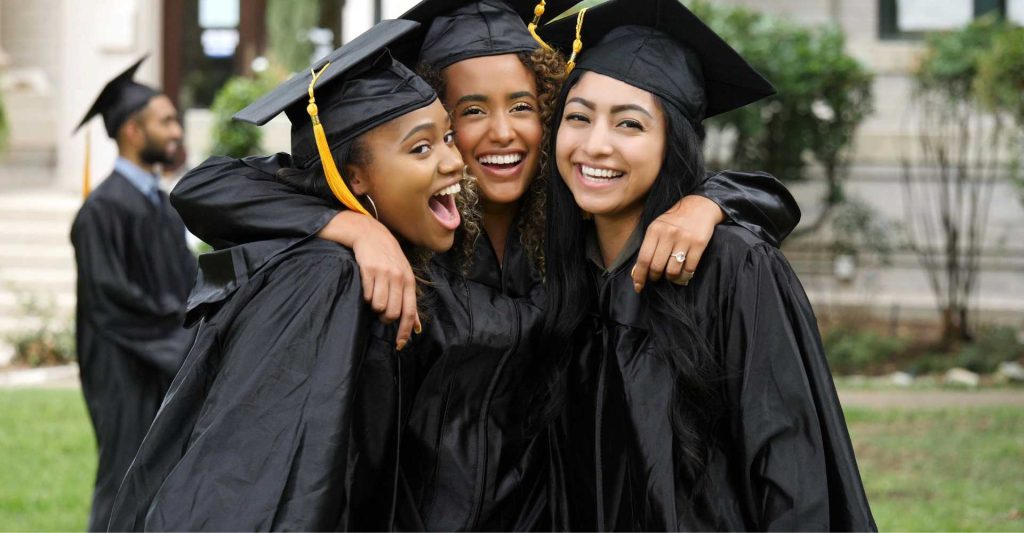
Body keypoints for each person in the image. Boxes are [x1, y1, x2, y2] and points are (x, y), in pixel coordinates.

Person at [164, 1, 801, 530]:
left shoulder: (568, 222)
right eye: (470, 112)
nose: (504, 132)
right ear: (435, 120)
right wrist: (354, 227)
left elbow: (712, 183)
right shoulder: (409, 230)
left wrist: (708, 204)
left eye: (523, 107)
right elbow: (210, 187)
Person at [107, 20, 465, 530]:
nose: (455, 160)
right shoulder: (326, 278)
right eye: (421, 148)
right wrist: (356, 230)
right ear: (354, 177)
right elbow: (263, 489)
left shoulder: (380, 254)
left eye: (447, 136)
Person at [539, 1, 876, 530]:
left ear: (672, 141)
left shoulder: (733, 267)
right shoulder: (556, 272)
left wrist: (715, 201)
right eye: (577, 117)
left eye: (630, 124)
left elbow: (789, 470)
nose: (594, 145)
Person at [69, 56, 197, 532]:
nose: (176, 130)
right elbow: (111, 301)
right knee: (124, 486)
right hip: (125, 371)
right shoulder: (101, 212)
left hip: (165, 363)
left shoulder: (160, 205)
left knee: (168, 484)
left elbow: (188, 281)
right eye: (164, 120)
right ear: (131, 130)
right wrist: (182, 337)